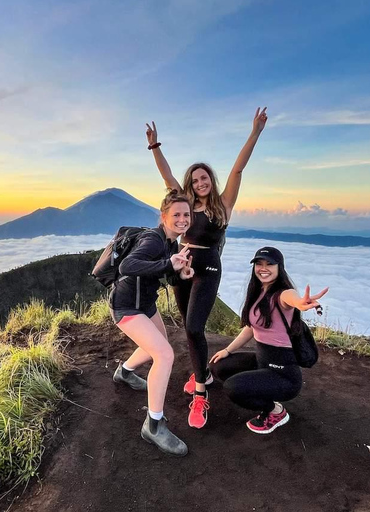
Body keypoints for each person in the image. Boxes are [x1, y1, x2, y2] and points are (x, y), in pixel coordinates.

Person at [145, 108, 268, 429]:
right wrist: (155, 147)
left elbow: (239, 169)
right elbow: (167, 178)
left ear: (211, 181)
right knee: (188, 327)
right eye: (195, 179)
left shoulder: (223, 204)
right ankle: (203, 372)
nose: (200, 182)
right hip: (182, 268)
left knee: (196, 328)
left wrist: (254, 132)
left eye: (204, 178)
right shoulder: (184, 202)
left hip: (209, 268)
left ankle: (201, 393)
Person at [208, 246, 328, 434]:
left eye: (269, 264)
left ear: (279, 267)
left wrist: (301, 303)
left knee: (233, 388)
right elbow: (250, 328)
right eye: (259, 264)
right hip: (262, 361)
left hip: (284, 375)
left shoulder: (282, 294)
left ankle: (275, 411)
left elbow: (292, 298)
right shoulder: (258, 292)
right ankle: (260, 385)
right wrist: (228, 350)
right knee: (218, 366)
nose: (263, 268)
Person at [111, 190, 195, 456]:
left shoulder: (170, 242)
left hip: (144, 305)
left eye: (186, 215)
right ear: (164, 216)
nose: (182, 219)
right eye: (176, 215)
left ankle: (124, 372)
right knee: (164, 354)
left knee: (157, 346)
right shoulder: (153, 240)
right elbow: (128, 266)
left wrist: (180, 272)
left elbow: (163, 272)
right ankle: (154, 425)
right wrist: (169, 262)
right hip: (126, 306)